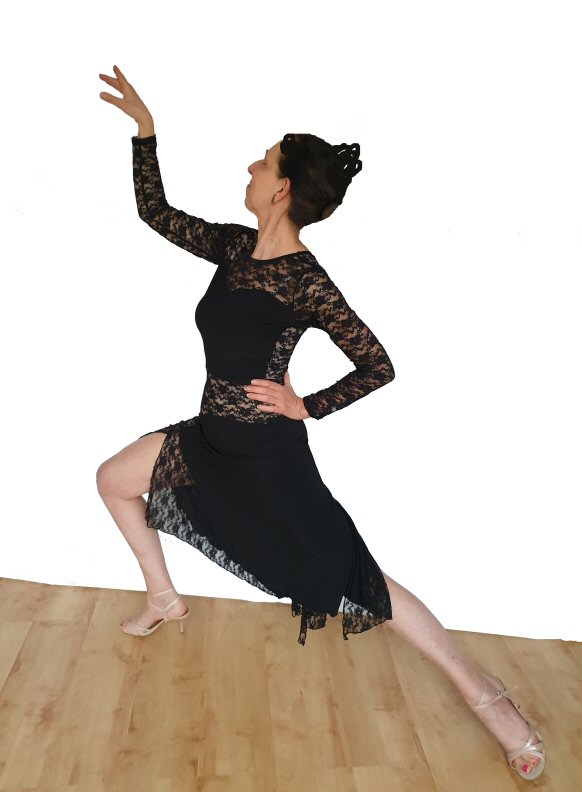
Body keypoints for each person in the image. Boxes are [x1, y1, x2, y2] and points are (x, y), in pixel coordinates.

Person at [96, 65, 545, 781]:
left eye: (261, 161)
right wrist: (145, 132)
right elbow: (155, 212)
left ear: (280, 189)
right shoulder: (234, 247)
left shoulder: (307, 280)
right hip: (209, 437)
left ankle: (487, 698)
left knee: (361, 579)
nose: (249, 168)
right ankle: (163, 597)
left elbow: (377, 363)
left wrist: (308, 404)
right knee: (114, 479)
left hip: (268, 459)